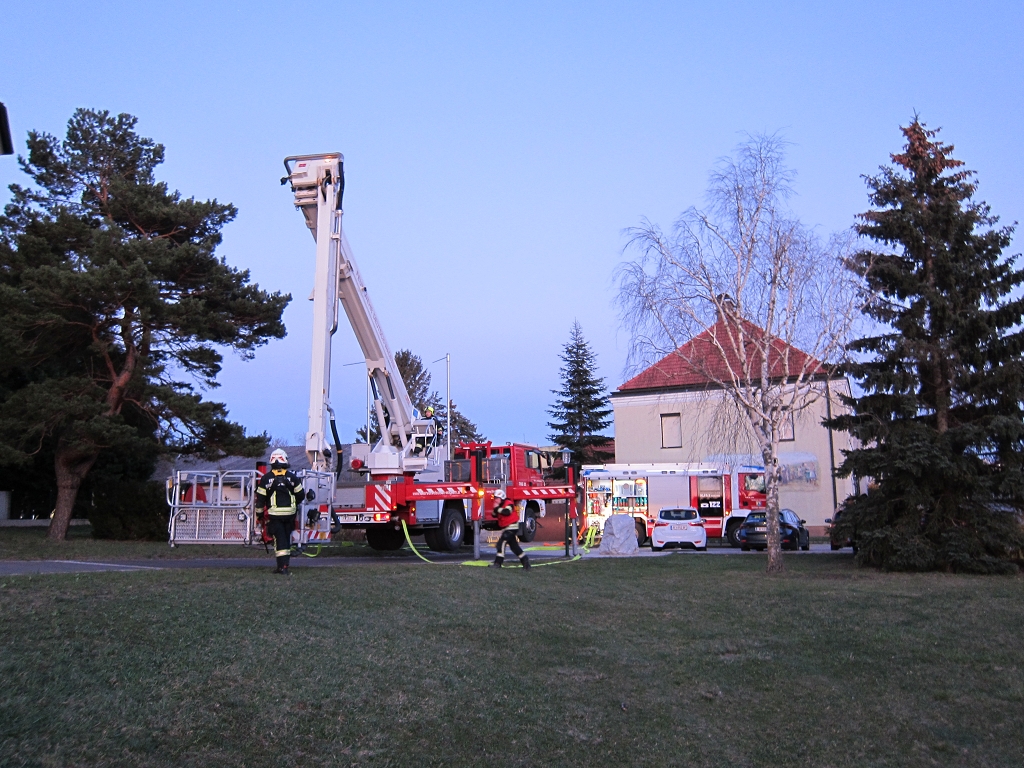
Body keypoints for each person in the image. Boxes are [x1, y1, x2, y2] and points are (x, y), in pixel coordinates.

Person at [255, 449, 306, 575]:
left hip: (274, 516)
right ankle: (285, 566)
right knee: (286, 540)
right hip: (290, 516)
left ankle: (281, 567)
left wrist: (259, 514)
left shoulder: (266, 479)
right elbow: (301, 495)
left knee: (280, 541)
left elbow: (260, 500)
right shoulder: (293, 477)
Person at [490, 489, 530, 569]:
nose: (495, 500)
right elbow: (494, 515)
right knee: (514, 547)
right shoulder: (499, 506)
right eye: (495, 498)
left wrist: (497, 508)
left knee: (501, 543)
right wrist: (495, 509)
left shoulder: (509, 503)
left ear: (502, 498)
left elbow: (507, 512)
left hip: (512, 527)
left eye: (497, 498)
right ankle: (526, 563)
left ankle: (498, 563)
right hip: (508, 528)